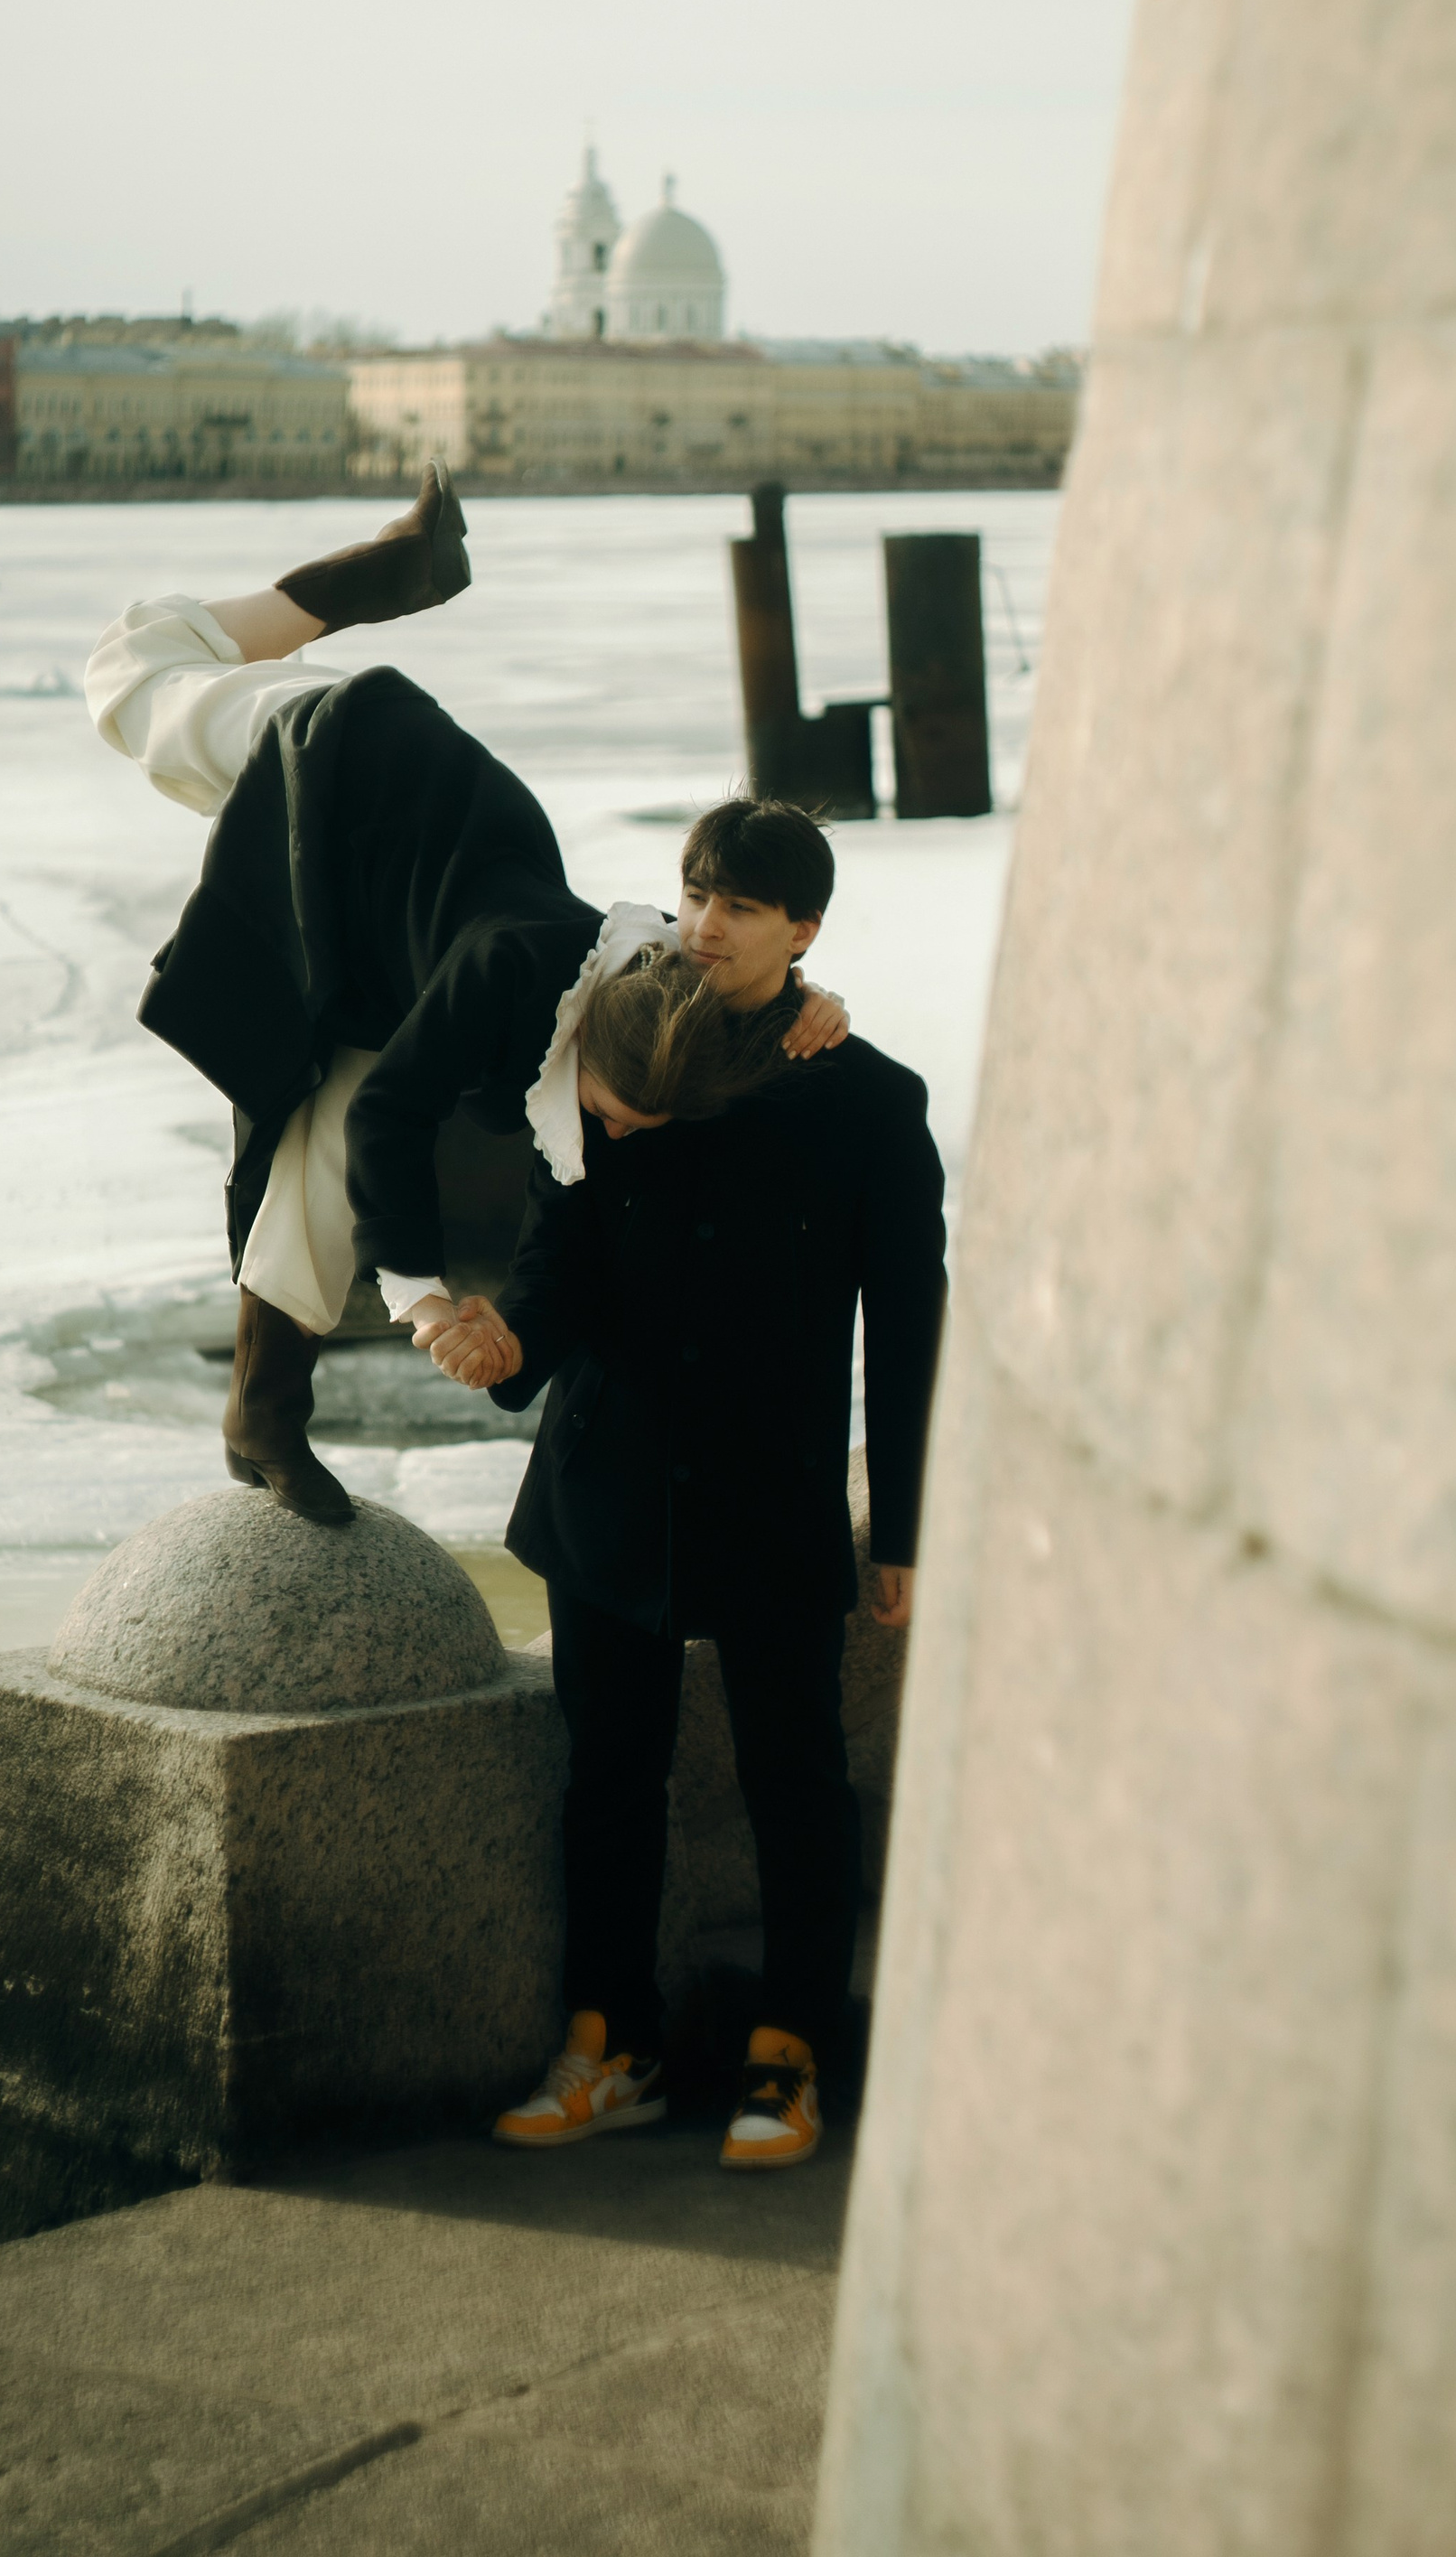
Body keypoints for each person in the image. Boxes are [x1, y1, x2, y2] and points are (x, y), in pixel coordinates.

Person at [84, 466, 849, 1524]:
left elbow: (737, 958)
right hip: (342, 759)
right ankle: (360, 581)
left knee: (320, 1150)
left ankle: (261, 1411)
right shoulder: (513, 968)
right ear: (584, 1068)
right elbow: (399, 1114)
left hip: (402, 927)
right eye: (620, 1120)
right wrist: (425, 1296)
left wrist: (811, 1001)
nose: (621, 1136)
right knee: (127, 678)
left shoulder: (662, 991)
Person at [421, 798, 947, 2172]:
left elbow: (909, 1320)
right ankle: (614, 2045)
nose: (706, 925)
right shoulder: (623, 1040)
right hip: (610, 1482)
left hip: (770, 1492)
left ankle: (794, 2057)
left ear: (803, 931)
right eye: (697, 895)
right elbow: (564, 1244)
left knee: (797, 1780)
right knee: (609, 1773)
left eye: (743, 907)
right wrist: (513, 1334)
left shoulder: (873, 1102)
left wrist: (903, 1519)